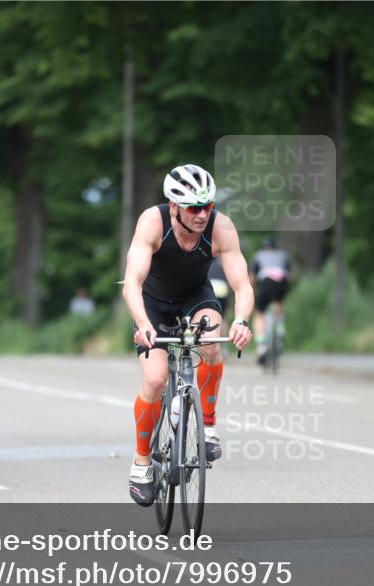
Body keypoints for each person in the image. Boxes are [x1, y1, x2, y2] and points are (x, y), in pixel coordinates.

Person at [122, 163, 254, 507]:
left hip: (195, 297)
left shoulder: (221, 227)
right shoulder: (152, 222)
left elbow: (242, 284)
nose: (202, 215)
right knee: (155, 379)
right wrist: (143, 323)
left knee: (211, 340)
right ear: (174, 206)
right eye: (194, 208)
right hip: (153, 304)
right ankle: (141, 462)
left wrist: (241, 321)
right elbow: (132, 283)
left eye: (207, 206)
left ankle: (207, 425)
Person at [250, 237, 291, 363]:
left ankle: (261, 346)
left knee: (259, 314)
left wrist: (251, 292)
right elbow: (289, 276)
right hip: (282, 282)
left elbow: (252, 278)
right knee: (279, 304)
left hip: (266, 282)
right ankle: (280, 329)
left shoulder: (258, 255)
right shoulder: (284, 255)